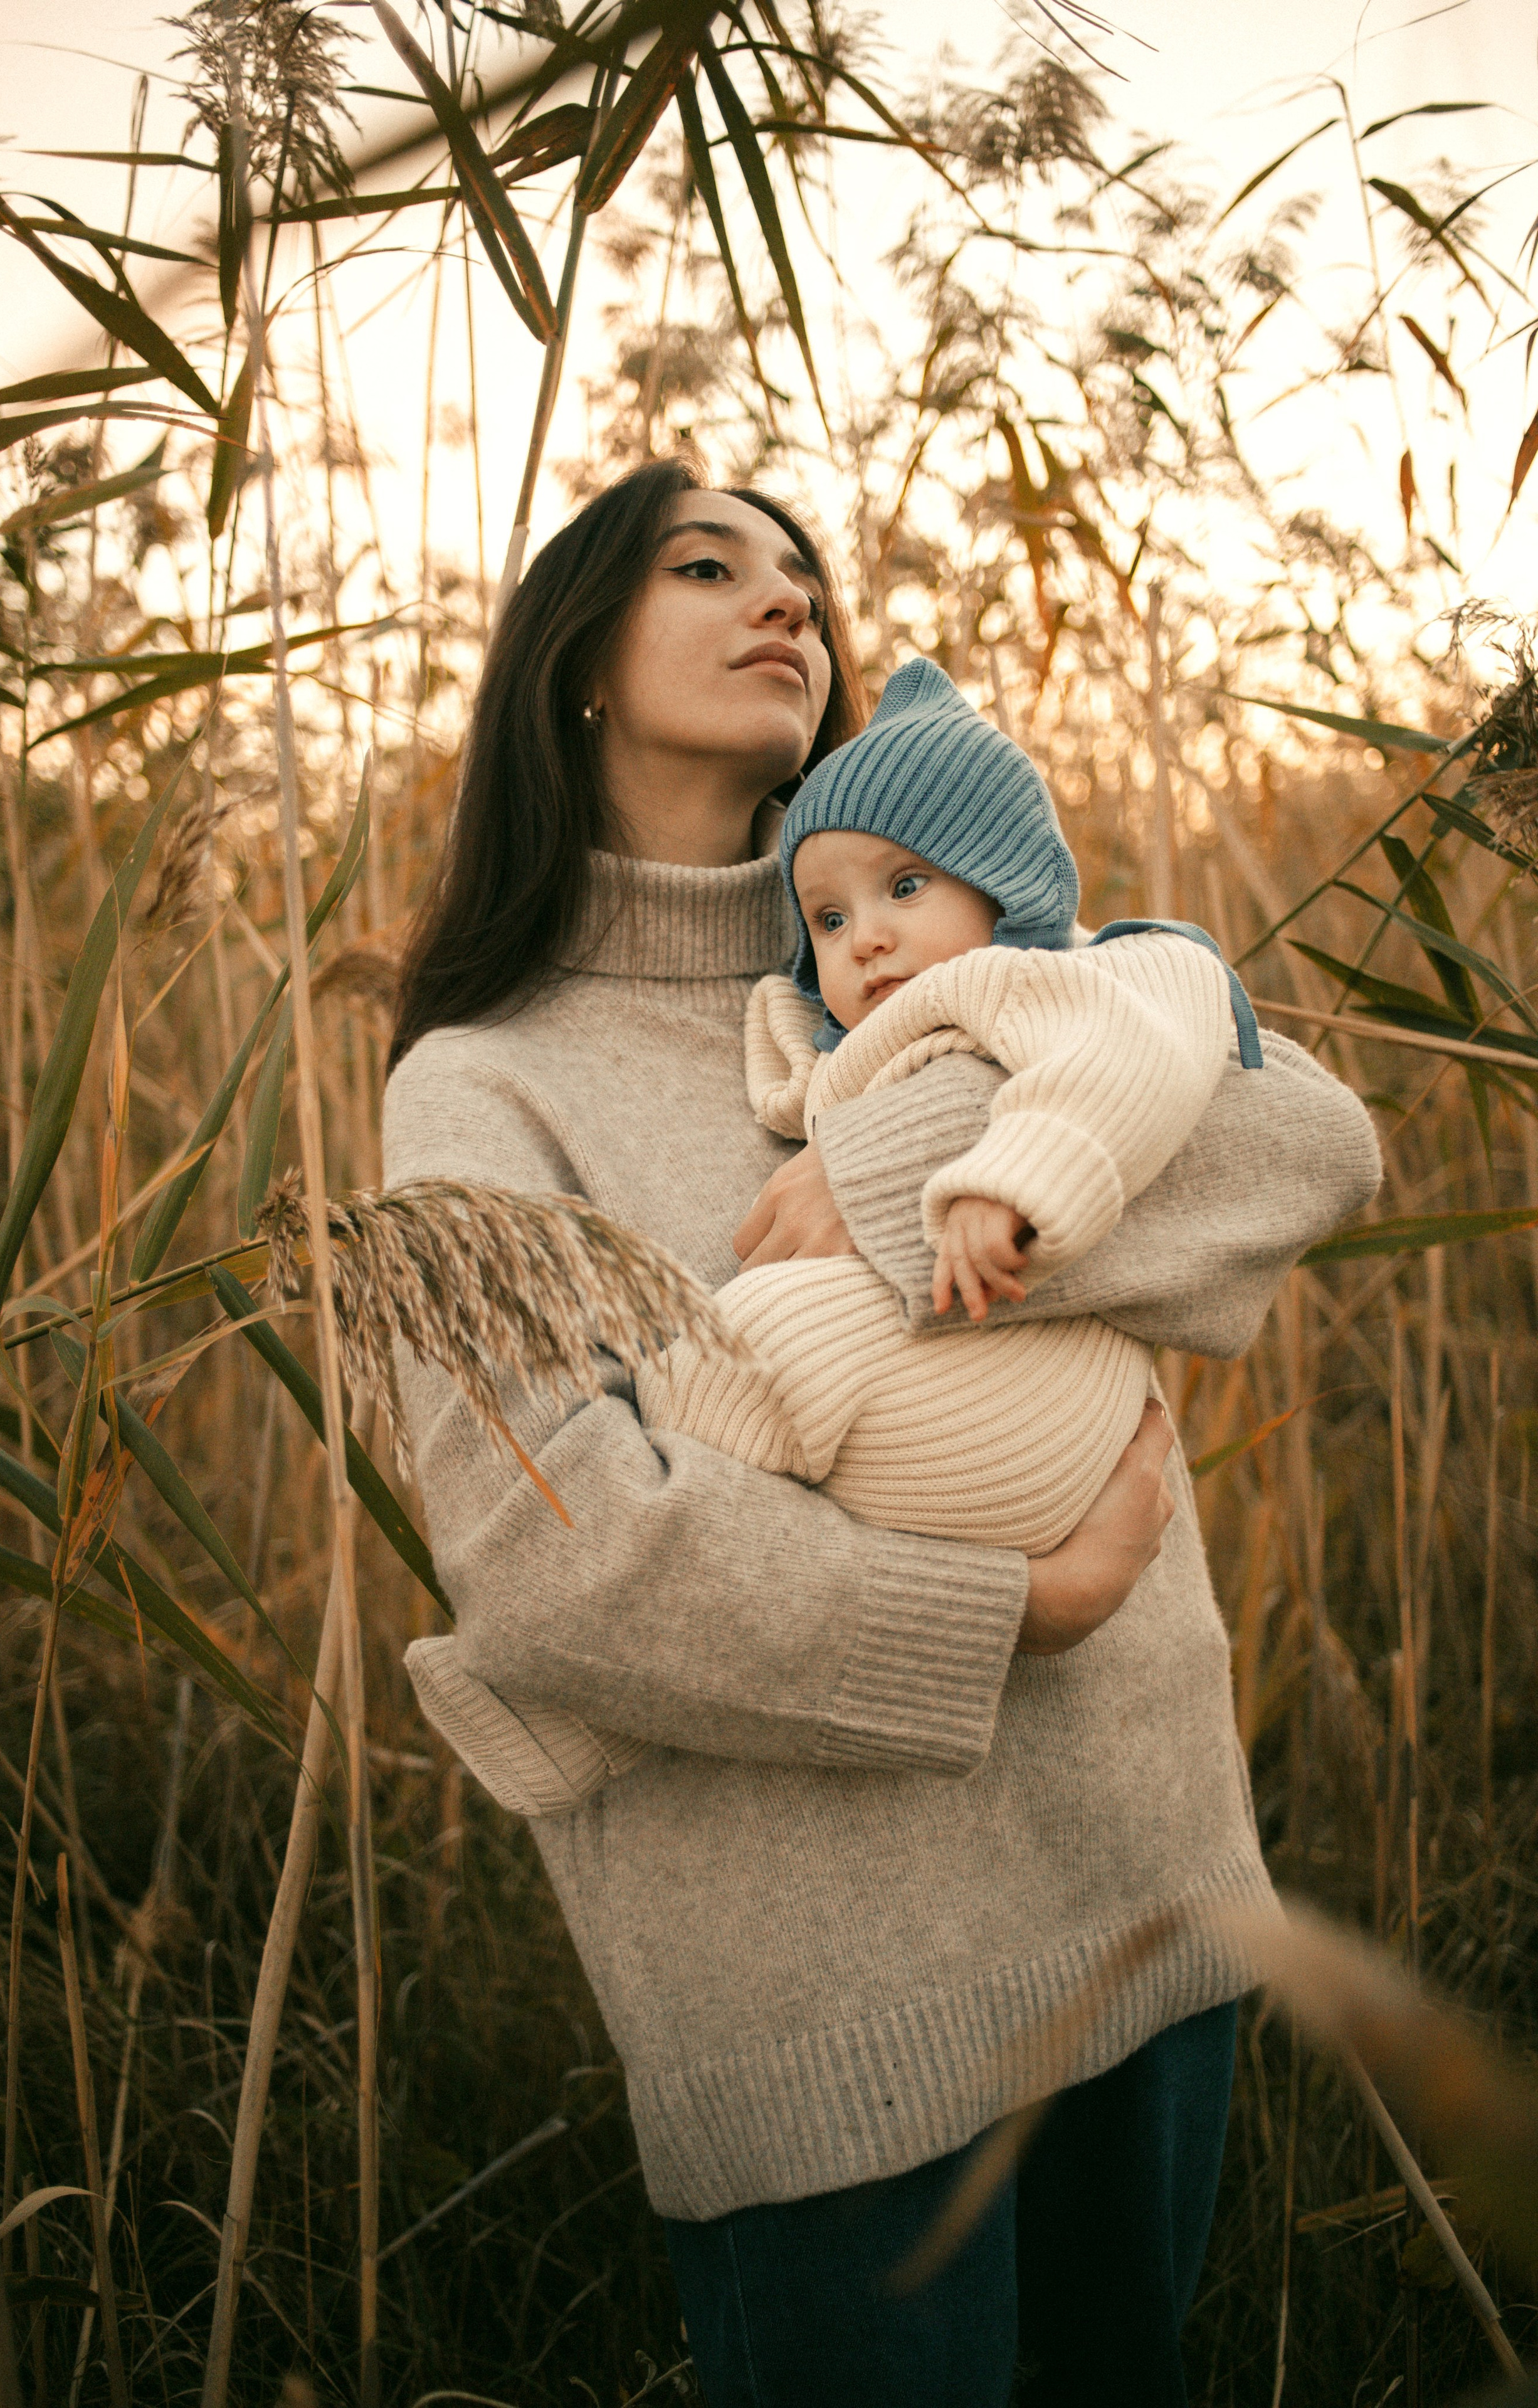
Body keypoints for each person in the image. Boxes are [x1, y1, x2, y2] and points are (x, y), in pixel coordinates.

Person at [384, 458, 1382, 2407]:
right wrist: (1017, 1599)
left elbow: (1307, 1140)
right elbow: (557, 1562)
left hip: (1145, 1888)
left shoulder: (941, 957)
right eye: (708, 567)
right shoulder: (488, 1087)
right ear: (575, 661)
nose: (789, 607)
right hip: (835, 2003)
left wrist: (897, 1152)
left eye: (808, 586)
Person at [413, 656, 1272, 1821]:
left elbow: (1170, 1082)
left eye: (906, 888)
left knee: (743, 1333)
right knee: (747, 1367)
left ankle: (570, 1704)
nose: (865, 938)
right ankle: (577, 1712)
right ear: (586, 663)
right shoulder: (482, 1080)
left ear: (1002, 878)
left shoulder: (1067, 980)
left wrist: (994, 1182)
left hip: (1038, 1418)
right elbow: (803, 1097)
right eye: (827, 916)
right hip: (954, 1444)